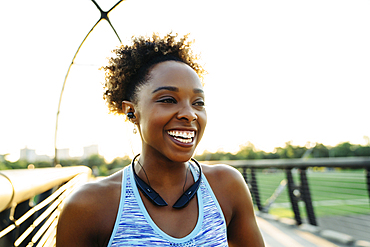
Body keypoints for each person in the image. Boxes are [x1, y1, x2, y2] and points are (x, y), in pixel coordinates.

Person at [56, 33, 265, 247]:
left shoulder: (227, 186)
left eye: (198, 102)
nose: (190, 114)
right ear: (131, 111)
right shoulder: (89, 205)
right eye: (168, 100)